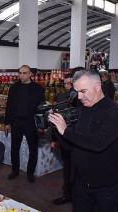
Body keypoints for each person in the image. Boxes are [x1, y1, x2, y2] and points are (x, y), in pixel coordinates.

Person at [49, 70, 118, 212]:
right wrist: (57, 129)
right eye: (76, 92)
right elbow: (70, 145)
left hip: (106, 185)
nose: (79, 96)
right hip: (81, 183)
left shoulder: (115, 113)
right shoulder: (81, 110)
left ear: (97, 86)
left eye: (83, 91)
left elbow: (98, 143)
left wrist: (66, 131)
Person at [4, 65, 45, 182]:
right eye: (20, 73)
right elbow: (9, 106)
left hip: (31, 123)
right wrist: (7, 122)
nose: (21, 75)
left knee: (33, 149)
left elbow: (41, 109)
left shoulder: (38, 89)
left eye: (24, 73)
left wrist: (41, 126)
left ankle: (30, 173)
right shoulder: (14, 88)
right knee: (14, 148)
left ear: (30, 74)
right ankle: (15, 171)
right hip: (16, 122)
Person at [51, 73, 73, 205]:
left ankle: (72, 192)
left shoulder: (79, 98)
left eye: (70, 83)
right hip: (64, 139)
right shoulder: (62, 97)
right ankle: (68, 192)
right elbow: (55, 118)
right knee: (67, 167)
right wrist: (54, 138)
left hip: (76, 139)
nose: (67, 86)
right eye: (65, 83)